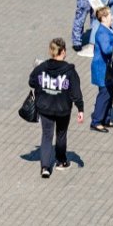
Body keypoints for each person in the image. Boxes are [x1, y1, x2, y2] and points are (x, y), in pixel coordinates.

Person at [27, 38, 84, 178]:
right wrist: (80, 108)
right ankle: (61, 161)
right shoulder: (69, 71)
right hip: (63, 109)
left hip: (45, 107)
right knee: (61, 134)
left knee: (47, 135)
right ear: (63, 51)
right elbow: (76, 92)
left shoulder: (42, 67)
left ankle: (45, 167)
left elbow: (32, 82)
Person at [89, 6, 113, 132]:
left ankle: (106, 118)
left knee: (110, 92)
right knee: (104, 94)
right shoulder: (101, 32)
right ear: (103, 18)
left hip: (108, 69)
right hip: (102, 69)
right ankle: (96, 122)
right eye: (110, 15)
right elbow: (107, 50)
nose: (112, 17)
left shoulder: (108, 29)